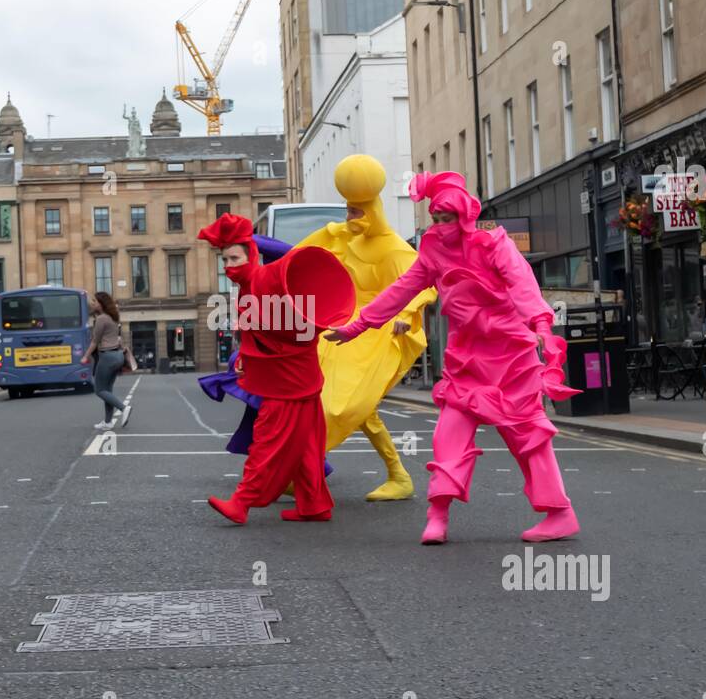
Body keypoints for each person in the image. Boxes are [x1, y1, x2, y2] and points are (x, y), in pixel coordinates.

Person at [326, 171, 581, 545]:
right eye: (436, 219)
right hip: (466, 357)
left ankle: (560, 514)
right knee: (449, 435)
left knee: (527, 438)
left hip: (511, 354)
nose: (442, 226)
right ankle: (437, 515)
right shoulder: (433, 252)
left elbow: (522, 283)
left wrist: (542, 324)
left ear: (465, 216)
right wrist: (358, 325)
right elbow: (401, 289)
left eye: (448, 219)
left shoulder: (494, 244)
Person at [292, 155, 436, 501]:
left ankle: (303, 469)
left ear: (372, 210)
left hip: (379, 332)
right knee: (348, 403)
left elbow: (424, 284)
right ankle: (396, 476)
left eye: (356, 212)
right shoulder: (341, 237)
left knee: (341, 405)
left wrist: (408, 312)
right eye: (347, 210)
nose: (349, 218)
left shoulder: (393, 248)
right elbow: (300, 256)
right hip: (340, 330)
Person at [199, 213, 349, 525]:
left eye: (234, 257)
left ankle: (241, 502)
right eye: (224, 259)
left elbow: (291, 262)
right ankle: (314, 505)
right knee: (308, 446)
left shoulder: (262, 280)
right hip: (301, 376)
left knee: (267, 441)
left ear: (252, 253)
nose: (228, 266)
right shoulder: (251, 283)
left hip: (287, 382)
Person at [80, 291, 130, 430]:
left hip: (107, 357)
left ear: (101, 304)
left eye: (95, 301)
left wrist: (85, 357)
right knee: (107, 390)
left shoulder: (102, 319)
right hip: (118, 356)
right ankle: (108, 422)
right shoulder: (113, 317)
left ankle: (123, 408)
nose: (93, 303)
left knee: (99, 390)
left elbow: (95, 342)